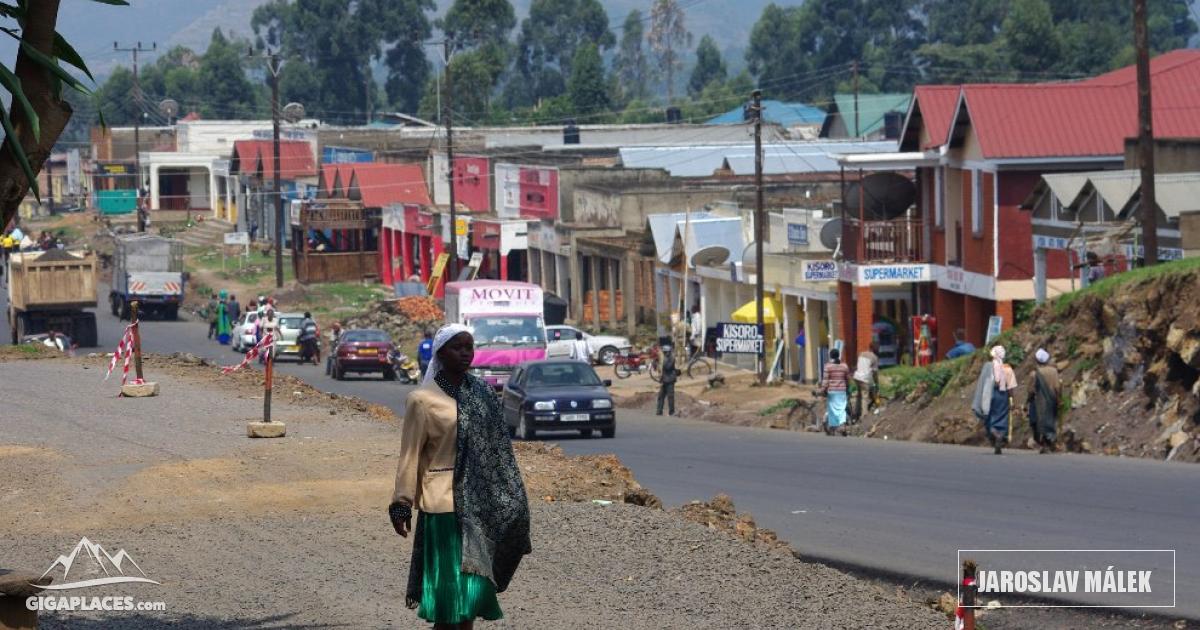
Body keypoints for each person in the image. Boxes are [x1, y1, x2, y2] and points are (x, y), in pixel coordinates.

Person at [389, 324, 531, 628]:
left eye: (469, 346)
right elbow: (410, 455)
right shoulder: (422, 400)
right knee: (448, 604)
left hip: (479, 508)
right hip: (443, 508)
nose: (466, 353)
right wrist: (401, 503)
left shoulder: (482, 393)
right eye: (457, 347)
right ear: (440, 352)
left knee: (467, 604)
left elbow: (498, 451)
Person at [973, 345, 1018, 454]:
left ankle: (994, 433)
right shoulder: (1007, 368)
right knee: (1002, 417)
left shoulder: (988, 366)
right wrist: (1012, 400)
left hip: (990, 395)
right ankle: (1000, 434)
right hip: (1003, 396)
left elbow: (983, 383)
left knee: (989, 417)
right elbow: (1010, 387)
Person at [1027, 348, 1062, 453]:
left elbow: (1031, 389)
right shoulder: (1054, 371)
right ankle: (1050, 441)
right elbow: (1057, 387)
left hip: (1039, 401)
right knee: (1051, 419)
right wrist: (1059, 399)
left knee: (1039, 421)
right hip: (1052, 399)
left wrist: (1028, 400)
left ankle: (1044, 443)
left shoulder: (1036, 373)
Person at [820, 349, 851, 436]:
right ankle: (842, 425)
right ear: (838, 355)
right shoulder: (844, 366)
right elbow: (848, 379)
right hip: (842, 391)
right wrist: (848, 389)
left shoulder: (828, 366)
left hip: (832, 391)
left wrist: (822, 390)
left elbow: (825, 381)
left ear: (830, 356)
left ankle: (832, 427)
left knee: (832, 409)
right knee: (841, 409)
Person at [852, 342, 880, 420]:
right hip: (864, 378)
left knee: (859, 395)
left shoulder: (861, 354)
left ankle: (856, 412)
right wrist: (877, 383)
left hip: (856, 377)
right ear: (876, 349)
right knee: (865, 397)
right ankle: (864, 415)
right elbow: (875, 373)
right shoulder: (874, 357)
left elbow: (861, 366)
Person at [656, 344, 678, 416]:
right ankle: (659, 411)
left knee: (670, 397)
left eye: (665, 352)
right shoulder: (663, 358)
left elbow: (668, 367)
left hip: (670, 380)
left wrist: (662, 362)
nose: (665, 353)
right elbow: (659, 368)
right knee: (661, 396)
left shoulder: (671, 358)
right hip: (664, 380)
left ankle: (671, 412)